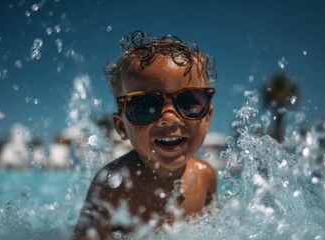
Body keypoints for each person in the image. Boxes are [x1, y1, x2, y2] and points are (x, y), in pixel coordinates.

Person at [72, 31, 218, 239]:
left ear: (207, 118)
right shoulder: (114, 184)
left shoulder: (206, 177)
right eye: (144, 106)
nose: (170, 118)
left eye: (188, 102)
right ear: (121, 127)